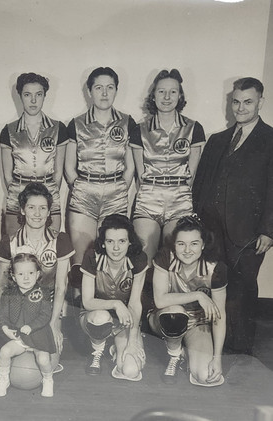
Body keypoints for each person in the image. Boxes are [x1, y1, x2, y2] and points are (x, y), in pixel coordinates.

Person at [193, 77, 273, 356]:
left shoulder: (270, 139)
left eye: (247, 102)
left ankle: (240, 349)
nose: (240, 107)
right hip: (212, 229)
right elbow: (201, 185)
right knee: (216, 285)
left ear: (260, 102)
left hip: (249, 232)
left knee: (243, 288)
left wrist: (268, 230)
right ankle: (216, 343)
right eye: (236, 101)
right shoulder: (217, 140)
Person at [65, 67, 136, 284]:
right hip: (84, 193)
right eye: (98, 88)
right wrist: (82, 187)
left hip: (115, 193)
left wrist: (119, 188)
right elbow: (69, 168)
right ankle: (79, 313)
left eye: (109, 88)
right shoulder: (76, 124)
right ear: (89, 91)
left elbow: (130, 167)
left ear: (116, 90)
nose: (104, 93)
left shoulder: (127, 122)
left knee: (112, 259)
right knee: (82, 261)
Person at [130, 69, 205, 264]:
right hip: (149, 198)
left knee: (176, 253)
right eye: (161, 91)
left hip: (180, 198)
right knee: (144, 253)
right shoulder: (139, 130)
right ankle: (140, 295)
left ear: (180, 95)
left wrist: (178, 193)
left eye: (173, 92)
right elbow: (140, 174)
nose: (167, 97)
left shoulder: (194, 128)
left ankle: (171, 295)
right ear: (153, 95)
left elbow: (193, 173)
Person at [0, 182, 74, 357]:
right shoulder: (9, 242)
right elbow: (2, 286)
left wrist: (53, 323)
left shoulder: (60, 240)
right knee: (21, 373)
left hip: (49, 307)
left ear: (48, 211)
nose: (37, 214)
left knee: (46, 362)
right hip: (17, 306)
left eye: (42, 208)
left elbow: (61, 286)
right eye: (31, 207)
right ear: (22, 210)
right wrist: (6, 320)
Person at [149, 215, 227, 386]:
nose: (187, 250)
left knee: (206, 376)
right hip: (166, 316)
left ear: (203, 245)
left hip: (197, 323)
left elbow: (219, 316)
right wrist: (199, 295)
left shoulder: (215, 268)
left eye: (194, 244)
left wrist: (217, 359)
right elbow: (160, 300)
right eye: (181, 244)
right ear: (174, 245)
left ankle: (185, 353)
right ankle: (174, 354)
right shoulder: (165, 257)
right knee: (174, 314)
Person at [0, 72, 68, 236]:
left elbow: (58, 173)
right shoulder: (8, 130)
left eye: (38, 94)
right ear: (20, 96)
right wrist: (17, 191)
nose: (33, 100)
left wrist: (49, 194)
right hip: (18, 193)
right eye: (27, 95)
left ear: (44, 96)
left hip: (48, 191)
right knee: (16, 249)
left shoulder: (58, 128)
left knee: (50, 247)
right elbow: (7, 175)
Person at [80, 214, 147, 380]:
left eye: (122, 241)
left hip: (125, 321)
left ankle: (115, 347)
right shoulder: (92, 257)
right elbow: (87, 302)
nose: (116, 248)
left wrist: (132, 342)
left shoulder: (138, 259)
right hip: (95, 318)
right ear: (103, 242)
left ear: (130, 241)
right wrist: (116, 303)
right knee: (101, 317)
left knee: (130, 370)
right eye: (110, 241)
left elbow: (135, 304)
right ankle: (97, 349)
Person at [0, 253, 55, 398]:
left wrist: (31, 326)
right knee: (4, 352)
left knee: (43, 360)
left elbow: (45, 315)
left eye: (30, 273)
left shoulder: (43, 293)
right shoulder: (8, 294)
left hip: (38, 336)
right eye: (21, 274)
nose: (26, 278)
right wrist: (5, 328)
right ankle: (3, 379)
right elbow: (2, 314)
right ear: (14, 277)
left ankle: (48, 379)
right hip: (19, 336)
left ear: (37, 274)